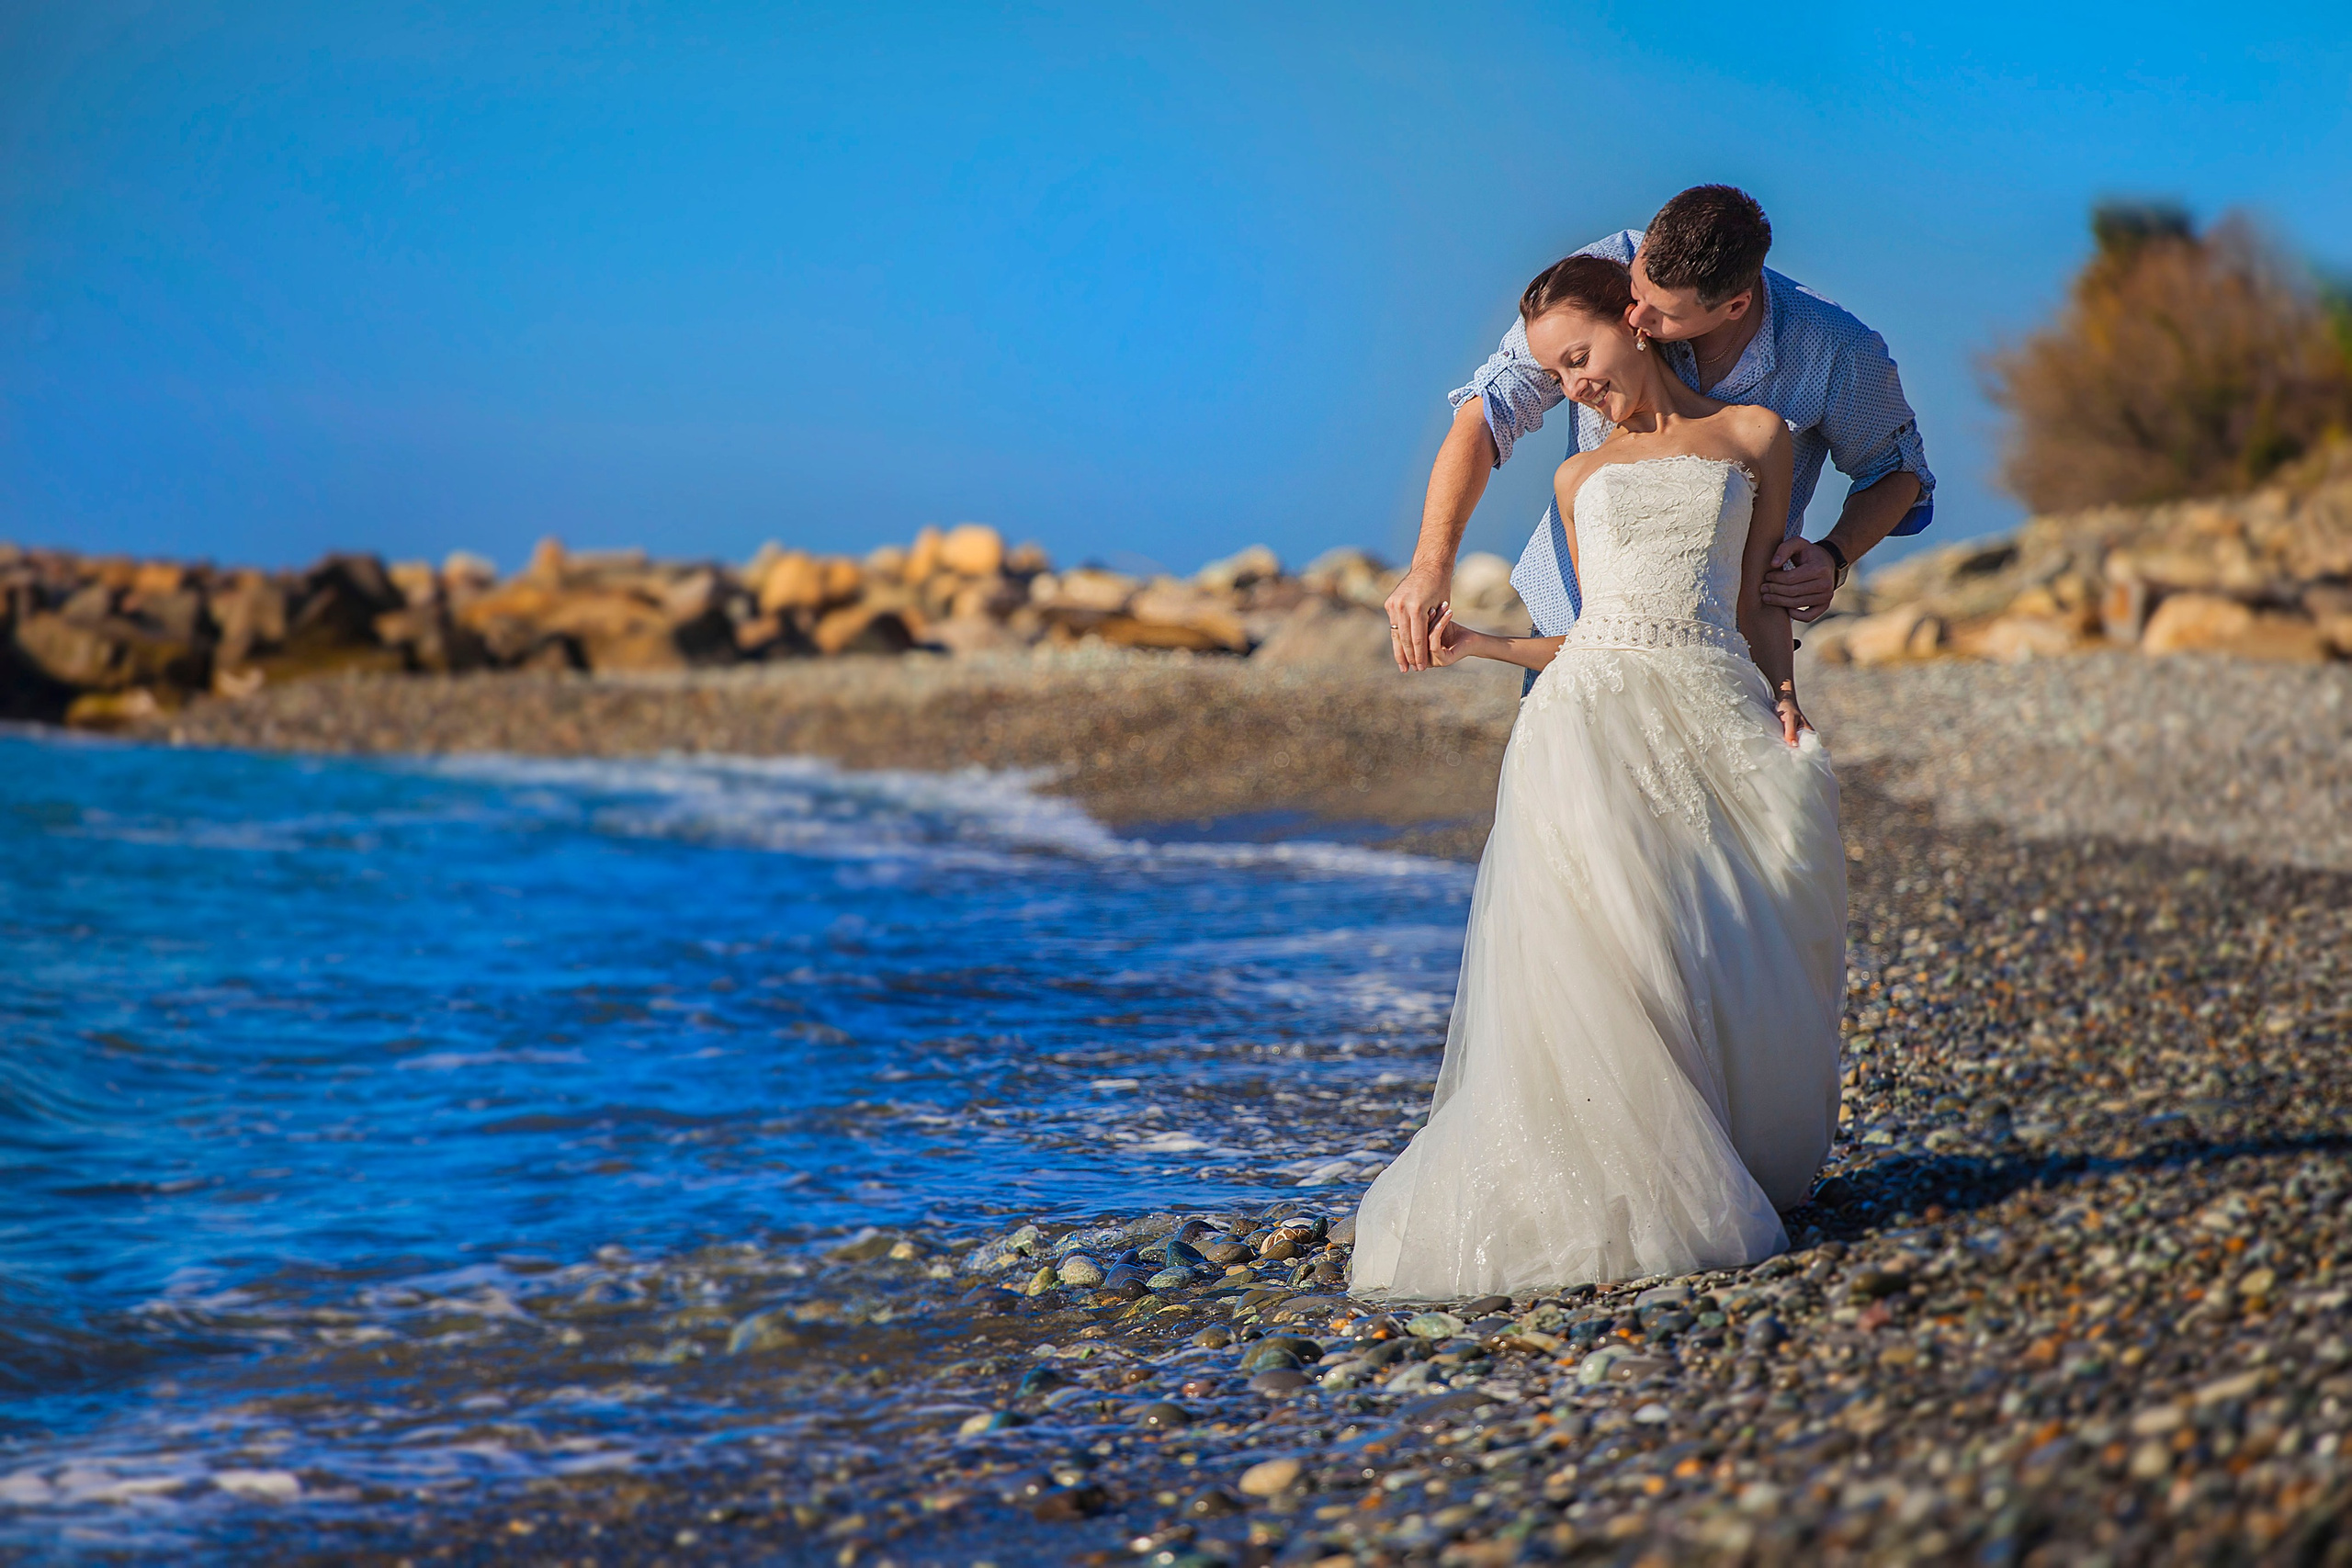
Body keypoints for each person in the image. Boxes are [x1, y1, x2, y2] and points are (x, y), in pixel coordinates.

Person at [1350, 254, 1846, 1297]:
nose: (1573, 383)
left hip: (1710, 702)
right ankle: (1610, 1183)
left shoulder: (1757, 439)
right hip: (1585, 723)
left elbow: (1758, 599)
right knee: (1610, 945)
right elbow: (1592, 635)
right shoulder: (1577, 479)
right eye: (1555, 372)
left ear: (1635, 321)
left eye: (1579, 356)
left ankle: (1713, 1152)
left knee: (1717, 931)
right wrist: (1478, 644)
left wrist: (1786, 695)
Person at [1385, 186, 1934, 679]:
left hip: (1725, 655)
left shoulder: (1834, 350)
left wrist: (1834, 556)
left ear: (1734, 306)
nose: (1634, 317)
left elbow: (1898, 473)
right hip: (1571, 627)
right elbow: (1487, 411)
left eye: (1660, 314)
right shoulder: (1607, 270)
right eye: (1636, 291)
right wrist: (1430, 568)